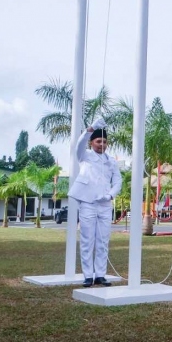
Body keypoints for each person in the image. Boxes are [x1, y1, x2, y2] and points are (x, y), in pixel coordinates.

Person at [70, 120, 122, 287]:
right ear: (92, 142)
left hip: (105, 204)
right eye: (98, 141)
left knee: (103, 240)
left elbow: (118, 181)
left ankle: (100, 274)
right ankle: (87, 275)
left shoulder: (111, 161)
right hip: (88, 203)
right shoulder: (84, 156)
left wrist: (110, 195)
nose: (102, 144)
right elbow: (78, 144)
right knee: (87, 240)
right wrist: (90, 129)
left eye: (105, 142)